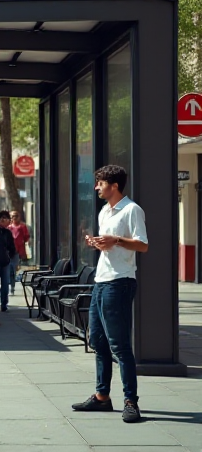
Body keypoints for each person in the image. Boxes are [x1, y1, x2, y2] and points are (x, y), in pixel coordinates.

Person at [71, 165, 148, 423]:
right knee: (98, 342)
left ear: (114, 185)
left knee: (120, 346)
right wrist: (97, 242)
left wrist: (115, 240)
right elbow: (111, 245)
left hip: (120, 283)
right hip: (101, 281)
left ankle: (131, 402)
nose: (97, 188)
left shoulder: (132, 210)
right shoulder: (105, 210)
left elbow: (143, 245)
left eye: (100, 183)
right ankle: (102, 397)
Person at [0, 210, 17, 314]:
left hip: (5, 261)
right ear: (1, 220)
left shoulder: (7, 233)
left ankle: (4, 304)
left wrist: (9, 256)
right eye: (7, 220)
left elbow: (12, 247)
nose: (9, 222)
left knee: (5, 283)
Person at [9, 210, 31, 295]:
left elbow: (26, 237)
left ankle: (13, 286)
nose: (14, 218)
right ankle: (11, 286)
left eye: (15, 216)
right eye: (12, 216)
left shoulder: (22, 227)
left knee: (14, 269)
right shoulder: (9, 228)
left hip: (17, 251)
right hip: (9, 251)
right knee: (10, 269)